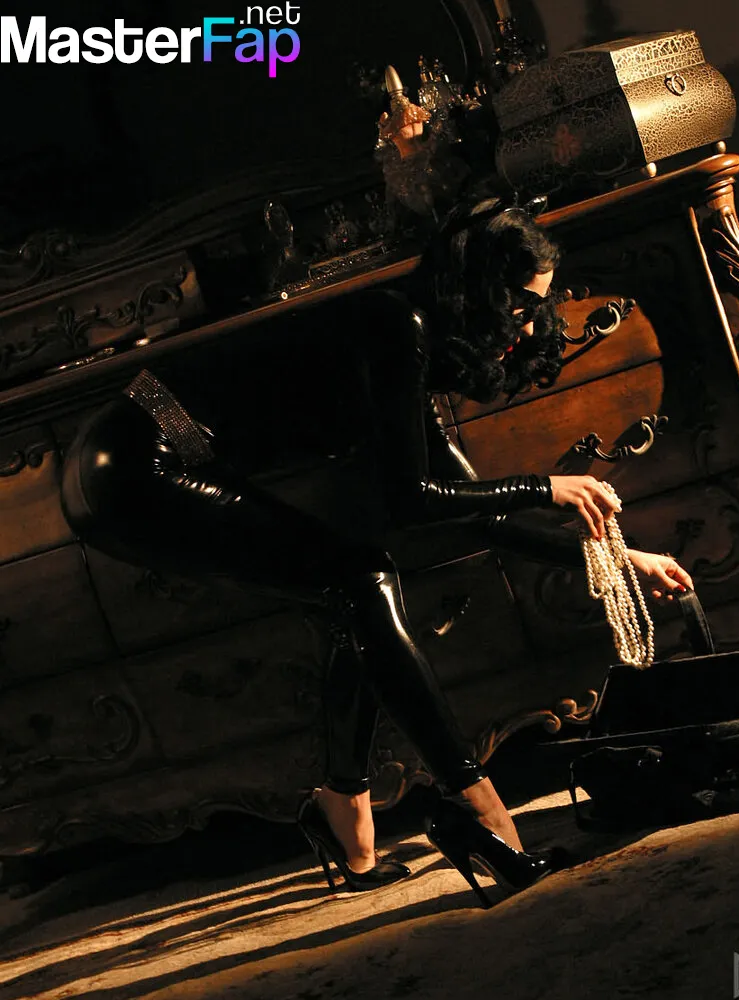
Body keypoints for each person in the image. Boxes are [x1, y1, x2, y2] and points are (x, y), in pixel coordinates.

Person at [59, 198, 692, 907]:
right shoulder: (397, 323)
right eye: (519, 303)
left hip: (137, 459)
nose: (525, 324)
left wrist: (623, 560)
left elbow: (474, 516)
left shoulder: (409, 340)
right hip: (132, 465)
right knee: (361, 579)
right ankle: (477, 807)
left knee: (355, 591)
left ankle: (345, 810)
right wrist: (545, 486)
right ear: (479, 288)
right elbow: (413, 499)